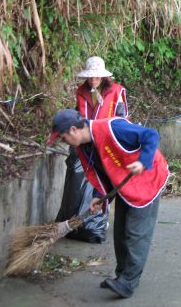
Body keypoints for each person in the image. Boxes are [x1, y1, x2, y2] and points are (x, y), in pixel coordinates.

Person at [48, 109, 169, 299]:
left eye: (63, 138)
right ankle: (121, 276)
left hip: (148, 180)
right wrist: (100, 196)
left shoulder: (113, 128)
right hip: (127, 185)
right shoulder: (85, 147)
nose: (64, 143)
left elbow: (151, 135)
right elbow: (103, 172)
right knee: (120, 231)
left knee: (136, 233)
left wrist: (142, 162)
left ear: (73, 130)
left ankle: (128, 282)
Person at [55, 56, 129, 243]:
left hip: (107, 141)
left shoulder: (117, 92)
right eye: (91, 77)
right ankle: (72, 220)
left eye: (97, 77)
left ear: (103, 77)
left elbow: (122, 119)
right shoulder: (81, 91)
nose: (94, 80)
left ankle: (98, 221)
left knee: (104, 180)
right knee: (77, 176)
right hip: (85, 140)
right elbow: (78, 115)